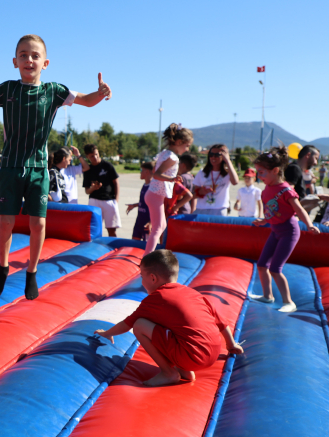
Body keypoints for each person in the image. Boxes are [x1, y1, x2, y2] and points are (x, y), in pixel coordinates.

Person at [0, 34, 112, 300]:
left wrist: (101, 93)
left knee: (38, 223)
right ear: (15, 61)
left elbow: (86, 100)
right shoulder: (7, 89)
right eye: (24, 55)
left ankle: (31, 271)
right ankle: (3, 268)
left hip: (39, 167)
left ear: (45, 63)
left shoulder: (53, 91)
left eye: (35, 55)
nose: (29, 59)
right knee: (6, 221)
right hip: (10, 166)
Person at [95, 249, 244, 387]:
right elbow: (221, 323)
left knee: (140, 325)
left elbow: (128, 323)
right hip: (213, 355)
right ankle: (184, 370)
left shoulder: (157, 298)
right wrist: (231, 345)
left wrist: (106, 333)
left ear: (152, 278)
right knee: (172, 324)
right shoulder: (193, 293)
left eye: (142, 276)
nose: (141, 281)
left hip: (192, 356)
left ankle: (168, 372)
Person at [249, 147, 320, 313]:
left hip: (289, 232)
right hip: (275, 230)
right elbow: (273, 211)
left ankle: (289, 302)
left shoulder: (286, 190)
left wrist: (309, 224)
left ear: (275, 171)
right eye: (257, 172)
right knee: (261, 265)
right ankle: (268, 296)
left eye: (262, 172)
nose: (259, 176)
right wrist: (265, 220)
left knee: (275, 269)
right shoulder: (266, 190)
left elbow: (299, 209)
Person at [143, 124, 193, 256]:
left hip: (154, 195)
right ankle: (146, 258)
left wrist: (171, 179)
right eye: (186, 145)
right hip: (154, 196)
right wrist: (171, 179)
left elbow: (155, 171)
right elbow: (156, 174)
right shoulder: (172, 157)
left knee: (161, 226)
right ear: (178, 142)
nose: (187, 149)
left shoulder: (165, 154)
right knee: (158, 228)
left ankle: (149, 253)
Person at [81, 144, 121, 237]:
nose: (95, 157)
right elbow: (87, 191)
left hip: (109, 200)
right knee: (93, 230)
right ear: (87, 157)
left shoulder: (107, 165)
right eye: (92, 156)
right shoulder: (88, 169)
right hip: (94, 201)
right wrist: (93, 188)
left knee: (112, 230)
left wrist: (116, 200)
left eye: (96, 154)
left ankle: (113, 249)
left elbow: (116, 183)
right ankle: (95, 250)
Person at [193, 144, 239, 216]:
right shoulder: (202, 172)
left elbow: (235, 182)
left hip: (220, 209)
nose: (213, 157)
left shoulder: (227, 173)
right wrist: (201, 192)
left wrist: (228, 160)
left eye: (217, 155)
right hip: (202, 209)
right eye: (211, 154)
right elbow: (194, 195)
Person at [284, 145, 320, 212]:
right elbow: (287, 195)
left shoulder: (296, 169)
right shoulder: (294, 169)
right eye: (316, 158)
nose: (316, 163)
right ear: (308, 155)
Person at [126, 161, 153, 241]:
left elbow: (157, 206)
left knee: (146, 247)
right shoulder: (145, 185)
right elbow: (145, 202)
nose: (140, 173)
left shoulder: (153, 188)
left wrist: (151, 222)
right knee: (134, 242)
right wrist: (134, 205)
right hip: (139, 221)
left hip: (147, 222)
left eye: (141, 170)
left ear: (147, 172)